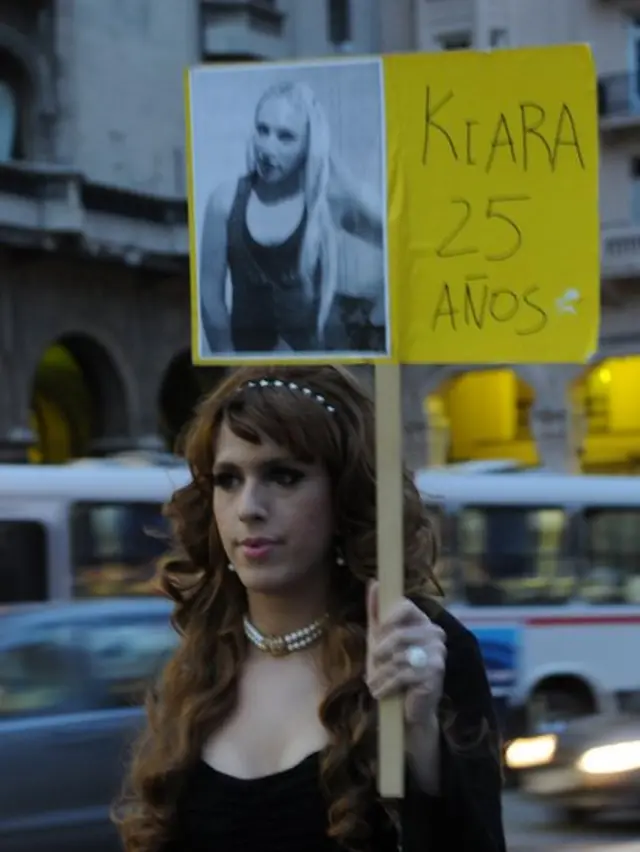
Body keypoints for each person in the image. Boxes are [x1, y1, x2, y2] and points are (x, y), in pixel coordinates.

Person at [113, 365, 507, 852]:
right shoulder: (201, 661)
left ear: (344, 495)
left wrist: (420, 740)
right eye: (228, 479)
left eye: (283, 476)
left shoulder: (414, 649)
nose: (249, 507)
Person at [198, 80, 385, 355]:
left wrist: (372, 321)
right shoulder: (225, 201)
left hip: (315, 369)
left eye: (286, 136)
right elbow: (210, 297)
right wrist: (230, 368)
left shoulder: (327, 202)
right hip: (249, 371)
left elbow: (401, 240)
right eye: (263, 130)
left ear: (309, 144)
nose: (268, 148)